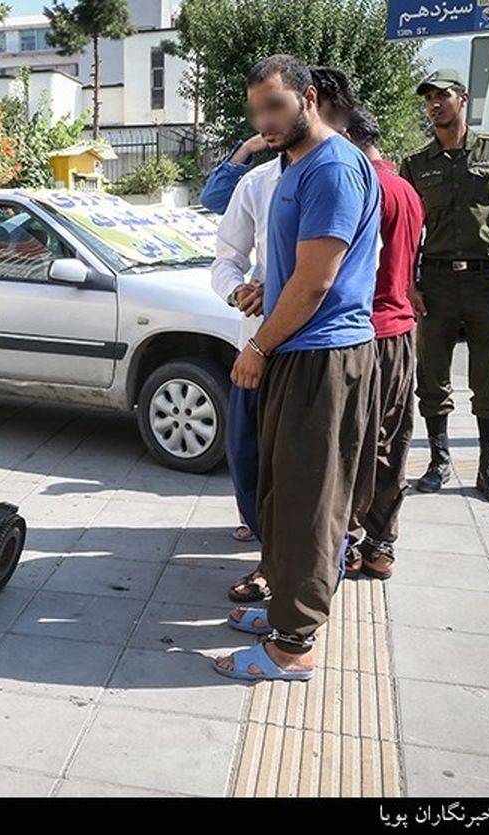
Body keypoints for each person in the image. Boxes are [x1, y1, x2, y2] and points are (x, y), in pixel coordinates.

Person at [213, 54, 379, 683]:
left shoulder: (333, 168)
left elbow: (315, 284)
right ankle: (284, 609)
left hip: (322, 356)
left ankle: (293, 646)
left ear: (309, 98)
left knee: (310, 504)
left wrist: (257, 348)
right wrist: (257, 293)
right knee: (281, 496)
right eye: (257, 110)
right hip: (296, 352)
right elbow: (285, 271)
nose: (265, 120)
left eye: (276, 106)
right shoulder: (291, 164)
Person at [399, 68, 489, 504]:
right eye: (429, 99)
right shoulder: (416, 164)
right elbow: (405, 232)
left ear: (464, 99)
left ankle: (488, 469)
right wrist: (408, 284)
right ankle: (439, 463)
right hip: (435, 281)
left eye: (442, 96)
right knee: (433, 377)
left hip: (483, 280)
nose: (434, 105)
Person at [341, 107, 424, 581]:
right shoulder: (408, 190)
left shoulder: (362, 187)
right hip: (400, 331)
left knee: (354, 442)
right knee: (393, 440)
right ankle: (381, 545)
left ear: (350, 139)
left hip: (366, 331)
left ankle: (348, 541)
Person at [211, 140, 283, 601]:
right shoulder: (259, 182)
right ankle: (268, 547)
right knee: (247, 454)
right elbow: (226, 259)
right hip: (257, 348)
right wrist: (240, 290)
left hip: (319, 352)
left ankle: (285, 567)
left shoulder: (344, 175)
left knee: (299, 467)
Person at [199, 66, 357, 214]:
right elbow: (214, 199)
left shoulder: (350, 173)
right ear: (308, 102)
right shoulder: (263, 180)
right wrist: (246, 148)